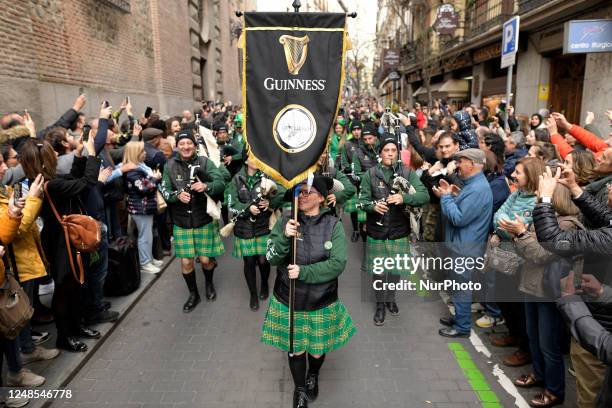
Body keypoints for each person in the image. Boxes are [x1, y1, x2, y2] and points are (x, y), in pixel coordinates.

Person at [262, 175, 356, 408]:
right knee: (296, 350)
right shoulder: (286, 219)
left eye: (308, 192)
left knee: (316, 351)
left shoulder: (333, 225)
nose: (302, 196)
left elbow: (338, 264)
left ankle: (313, 375)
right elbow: (271, 257)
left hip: (321, 300)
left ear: (322, 198)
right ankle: (300, 389)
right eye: (299, 192)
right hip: (289, 298)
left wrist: (304, 272)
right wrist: (285, 236)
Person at [498, 183, 580, 407]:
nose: (537, 196)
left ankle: (554, 390)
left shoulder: (567, 225)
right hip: (531, 285)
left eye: (544, 193)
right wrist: (522, 235)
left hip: (548, 291)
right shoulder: (546, 219)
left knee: (548, 344)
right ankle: (539, 375)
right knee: (534, 336)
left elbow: (541, 254)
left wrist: (521, 234)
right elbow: (527, 249)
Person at [20, 137, 100, 352]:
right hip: (60, 244)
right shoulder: (49, 184)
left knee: (75, 286)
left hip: (65, 240)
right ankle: (64, 337)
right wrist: (93, 155)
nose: (56, 154)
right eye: (51, 153)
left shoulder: (49, 179)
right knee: (64, 289)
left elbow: (73, 178)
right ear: (44, 159)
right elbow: (86, 183)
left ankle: (77, 327)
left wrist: (81, 157)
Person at [358, 136, 429, 326]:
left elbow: (424, 195)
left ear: (397, 153)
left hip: (399, 230)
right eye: (386, 150)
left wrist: (404, 198)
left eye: (393, 150)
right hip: (377, 231)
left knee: (395, 270)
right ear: (380, 153)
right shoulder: (370, 174)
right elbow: (361, 202)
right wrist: (373, 207)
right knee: (379, 272)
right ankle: (380, 305)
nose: (390, 153)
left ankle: (391, 298)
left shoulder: (407, 172)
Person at [160, 129, 225, 312]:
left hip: (203, 218)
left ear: (194, 146)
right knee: (187, 262)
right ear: (177, 147)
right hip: (181, 222)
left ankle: (209, 284)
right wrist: (176, 196)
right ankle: (193, 294)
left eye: (189, 143)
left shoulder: (204, 162)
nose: (186, 146)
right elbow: (164, 190)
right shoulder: (169, 165)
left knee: (205, 260)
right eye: (182, 144)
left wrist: (206, 185)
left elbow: (220, 182)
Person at [434, 148, 493, 337]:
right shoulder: (473, 185)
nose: (457, 165)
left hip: (465, 247)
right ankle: (460, 318)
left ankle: (462, 327)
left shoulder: (477, 189)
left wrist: (445, 198)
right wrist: (453, 196)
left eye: (461, 161)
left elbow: (459, 219)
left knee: (461, 287)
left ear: (473, 164)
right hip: (462, 244)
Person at [226, 156, 285, 311]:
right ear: (246, 160)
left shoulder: (269, 175)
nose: (257, 159)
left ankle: (264, 284)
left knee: (263, 261)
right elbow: (231, 204)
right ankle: (253, 294)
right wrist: (247, 208)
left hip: (264, 226)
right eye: (253, 157)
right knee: (249, 262)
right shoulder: (236, 179)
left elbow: (283, 192)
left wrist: (270, 202)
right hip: (244, 227)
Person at [120, 141, 163, 273]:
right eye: (142, 151)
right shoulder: (133, 171)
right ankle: (145, 263)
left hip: (143, 207)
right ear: (135, 154)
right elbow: (143, 189)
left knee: (147, 234)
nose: (145, 153)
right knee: (144, 236)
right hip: (140, 207)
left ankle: (149, 259)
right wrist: (155, 179)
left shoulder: (139, 167)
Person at [351, 126, 379, 241]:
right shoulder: (358, 153)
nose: (368, 141)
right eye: (365, 139)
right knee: (364, 223)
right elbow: (356, 174)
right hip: (364, 191)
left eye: (370, 138)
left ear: (376, 138)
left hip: (381, 191)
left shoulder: (383, 150)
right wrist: (372, 177)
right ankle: (365, 247)